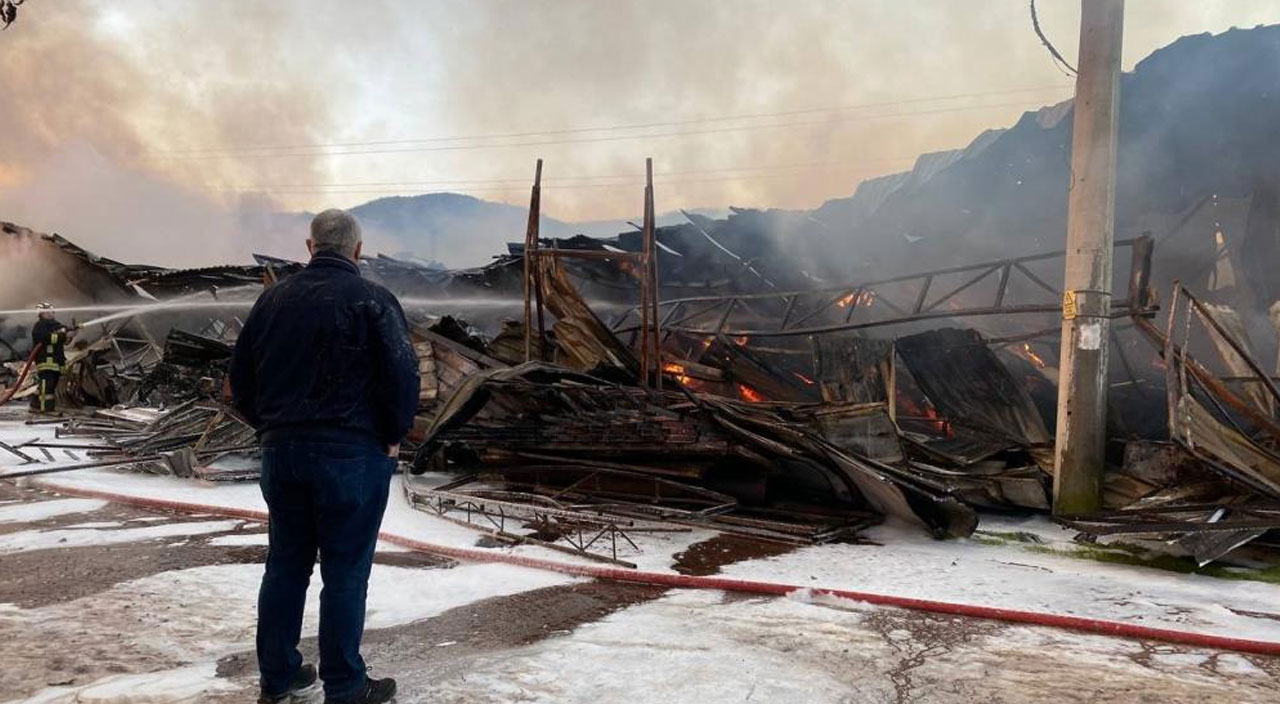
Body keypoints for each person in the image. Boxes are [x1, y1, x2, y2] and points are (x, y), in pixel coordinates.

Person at [231, 209, 420, 704]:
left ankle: (277, 676)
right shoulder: (374, 300)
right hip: (352, 456)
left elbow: (240, 380)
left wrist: (272, 427)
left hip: (283, 453)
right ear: (357, 250)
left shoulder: (271, 301)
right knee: (345, 570)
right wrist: (394, 432)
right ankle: (345, 685)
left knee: (285, 566)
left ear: (310, 246)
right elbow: (403, 374)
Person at [30, 302, 72, 415]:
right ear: (41, 314)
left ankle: (35, 405)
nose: (50, 314)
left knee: (48, 385)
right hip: (45, 361)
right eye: (47, 312)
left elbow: (65, 337)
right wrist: (62, 336)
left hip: (56, 361)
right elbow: (46, 338)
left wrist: (71, 332)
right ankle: (47, 409)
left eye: (51, 312)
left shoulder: (56, 325)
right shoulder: (39, 326)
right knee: (47, 386)